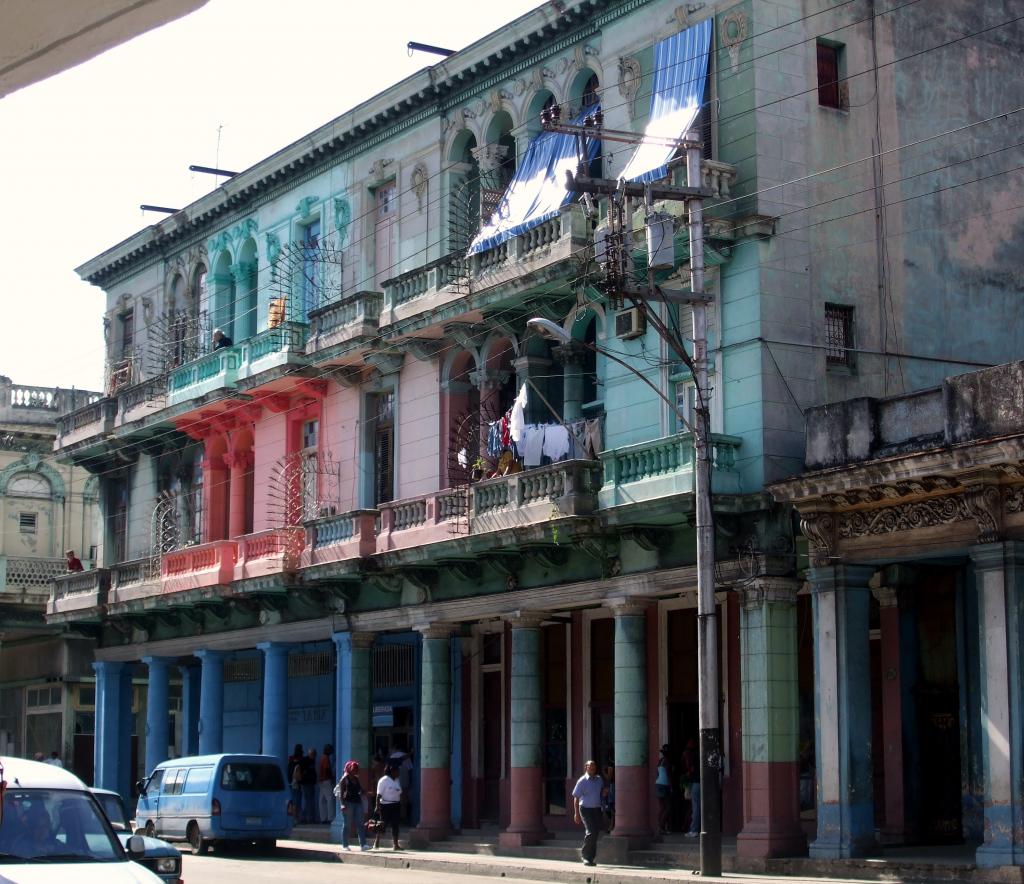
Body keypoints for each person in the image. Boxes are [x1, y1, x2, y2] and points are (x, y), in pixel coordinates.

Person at [572, 759, 605, 867]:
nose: (592, 768)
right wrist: (576, 813)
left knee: (595, 833)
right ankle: (585, 856)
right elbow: (576, 798)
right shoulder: (582, 781)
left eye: (594, 766)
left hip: (596, 809)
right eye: (590, 766)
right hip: (585, 809)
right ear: (586, 767)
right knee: (590, 831)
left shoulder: (599, 780)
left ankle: (591, 858)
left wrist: (604, 793)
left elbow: (602, 792)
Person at [337, 760, 368, 851]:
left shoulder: (356, 779)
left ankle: (363, 844)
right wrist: (342, 805)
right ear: (349, 769)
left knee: (360, 823)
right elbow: (341, 793)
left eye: (356, 769)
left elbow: (360, 790)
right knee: (347, 824)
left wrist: (366, 792)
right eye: (354, 769)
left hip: (357, 802)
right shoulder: (344, 779)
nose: (355, 770)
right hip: (348, 803)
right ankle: (345, 845)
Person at [374, 762, 402, 850]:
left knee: (395, 825)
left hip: (396, 805)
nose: (398, 772)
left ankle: (395, 845)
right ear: (392, 771)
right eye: (397, 771)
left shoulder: (397, 780)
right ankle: (377, 841)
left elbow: (399, 791)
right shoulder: (383, 780)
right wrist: (377, 806)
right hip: (385, 805)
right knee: (383, 825)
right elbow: (378, 795)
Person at [682, 738, 700, 838]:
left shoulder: (692, 755)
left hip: (696, 782)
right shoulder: (699, 754)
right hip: (701, 782)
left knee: (695, 807)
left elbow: (690, 768)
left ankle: (694, 829)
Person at [655, 744, 672, 834]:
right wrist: (671, 786)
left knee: (662, 807)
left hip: (658, 783)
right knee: (668, 807)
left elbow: (657, 773)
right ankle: (661, 826)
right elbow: (668, 775)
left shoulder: (660, 760)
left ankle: (659, 827)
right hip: (665, 784)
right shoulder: (667, 761)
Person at [318, 743, 335, 824]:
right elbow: (326, 769)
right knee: (330, 798)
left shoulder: (322, 758)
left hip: (321, 780)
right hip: (326, 780)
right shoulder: (326, 758)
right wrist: (330, 777)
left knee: (322, 800)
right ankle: (330, 818)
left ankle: (323, 818)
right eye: (330, 750)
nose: (331, 751)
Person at [301, 748, 318, 823]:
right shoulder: (306, 761)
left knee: (310, 801)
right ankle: (306, 818)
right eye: (313, 754)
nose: (314, 756)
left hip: (310, 783)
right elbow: (305, 772)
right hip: (306, 783)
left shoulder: (312, 761)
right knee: (308, 801)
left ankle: (309, 818)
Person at [287, 743, 304, 822]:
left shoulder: (290, 760)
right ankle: (295, 818)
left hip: (290, 783)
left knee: (293, 801)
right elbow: (299, 775)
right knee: (296, 802)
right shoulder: (299, 762)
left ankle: (294, 818)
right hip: (296, 784)